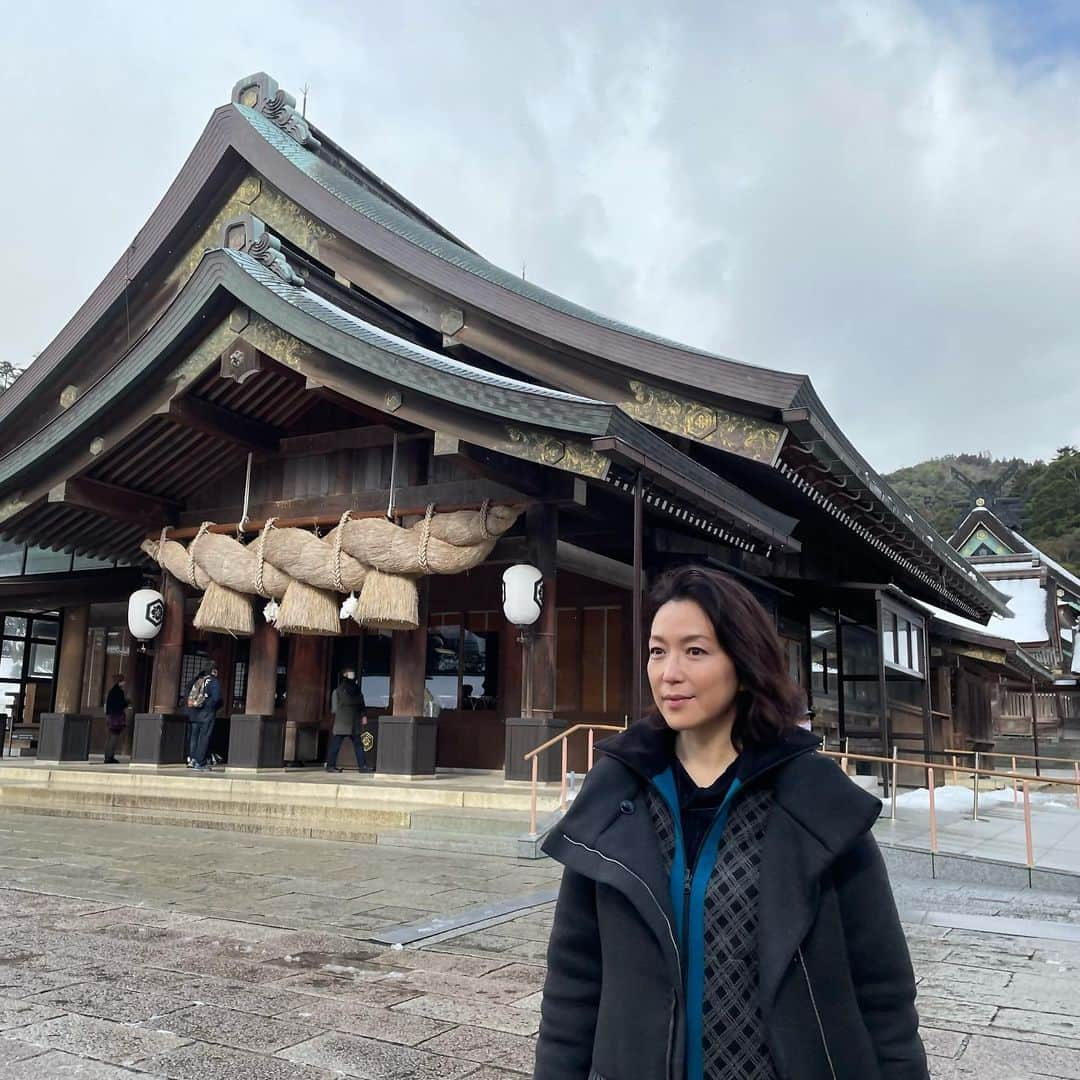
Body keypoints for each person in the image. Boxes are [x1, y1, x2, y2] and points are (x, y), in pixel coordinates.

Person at [534, 565, 927, 1080]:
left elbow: (882, 987)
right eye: (657, 651)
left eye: (694, 651)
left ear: (743, 662)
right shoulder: (616, 792)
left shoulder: (813, 797)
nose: (669, 672)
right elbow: (574, 980)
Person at [327, 668, 371, 773]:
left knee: (339, 745)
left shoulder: (338, 690)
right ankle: (362, 767)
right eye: (351, 674)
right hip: (349, 721)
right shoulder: (354, 690)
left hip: (344, 721)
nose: (353, 675)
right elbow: (360, 702)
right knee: (355, 745)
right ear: (345, 675)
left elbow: (334, 709)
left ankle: (331, 766)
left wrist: (363, 715)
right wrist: (363, 715)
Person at [185, 665, 222, 772]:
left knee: (194, 737)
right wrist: (212, 707)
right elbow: (216, 698)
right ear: (214, 671)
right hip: (207, 713)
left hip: (195, 713)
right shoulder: (213, 681)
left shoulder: (199, 680)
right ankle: (200, 762)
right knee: (204, 737)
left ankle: (193, 759)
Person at [103, 673, 129, 765]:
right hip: (116, 717)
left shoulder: (111, 691)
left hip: (110, 717)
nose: (124, 682)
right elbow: (121, 704)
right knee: (114, 737)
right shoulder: (119, 692)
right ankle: (109, 757)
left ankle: (107, 756)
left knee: (109, 737)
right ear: (120, 682)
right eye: (123, 681)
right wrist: (127, 702)